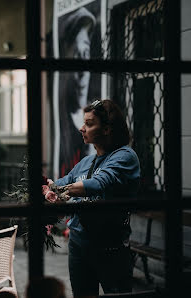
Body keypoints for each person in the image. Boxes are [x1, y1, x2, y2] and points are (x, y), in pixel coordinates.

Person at [47, 99, 140, 297]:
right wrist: (46, 187)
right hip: (79, 245)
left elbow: (98, 184)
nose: (82, 128)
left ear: (106, 129)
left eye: (89, 124)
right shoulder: (86, 161)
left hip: (110, 247)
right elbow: (62, 182)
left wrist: (59, 190)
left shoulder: (125, 156)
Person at [58, 7, 98, 176]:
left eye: (86, 54)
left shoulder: (98, 112)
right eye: (77, 57)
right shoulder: (61, 117)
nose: (83, 71)